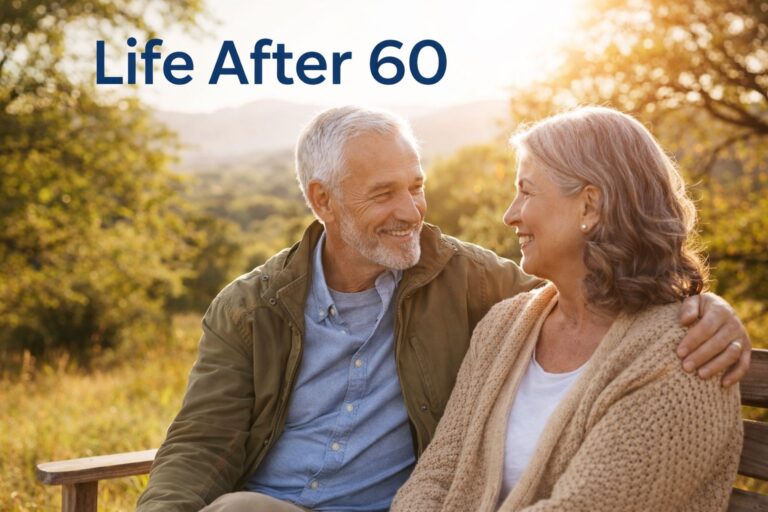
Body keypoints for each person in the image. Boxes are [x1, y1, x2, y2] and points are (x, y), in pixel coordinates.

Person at [137, 106, 750, 512]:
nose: (411, 211)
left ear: (589, 205)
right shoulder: (251, 307)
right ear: (323, 201)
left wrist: (702, 305)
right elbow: (199, 444)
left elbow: (616, 297)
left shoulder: (474, 284)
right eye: (384, 193)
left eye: (417, 186)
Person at [391, 107, 744, 512]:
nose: (510, 215)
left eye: (527, 192)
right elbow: (436, 474)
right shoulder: (502, 327)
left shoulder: (686, 360)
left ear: (589, 206)